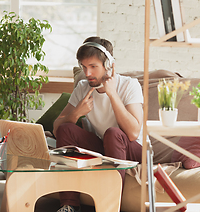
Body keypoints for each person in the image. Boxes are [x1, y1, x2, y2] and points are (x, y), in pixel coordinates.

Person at [53, 36, 143, 212]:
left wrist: (112, 94)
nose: (87, 73)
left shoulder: (130, 85)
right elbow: (57, 129)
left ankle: (109, 207)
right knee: (66, 127)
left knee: (113, 133)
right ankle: (69, 205)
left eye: (93, 67)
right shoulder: (82, 87)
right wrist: (76, 113)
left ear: (108, 65)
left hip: (132, 150)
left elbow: (133, 133)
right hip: (104, 147)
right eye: (84, 67)